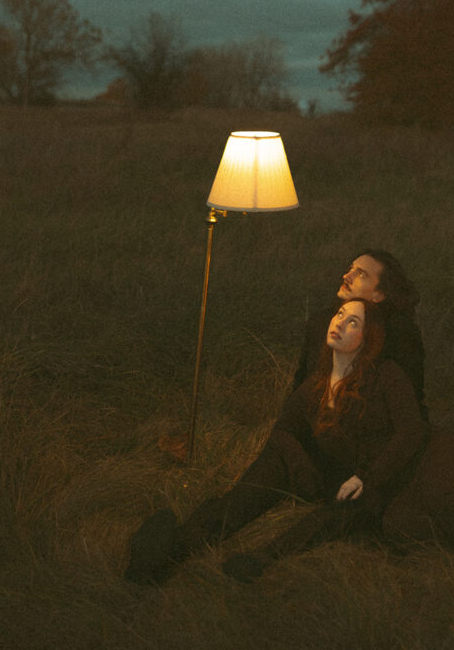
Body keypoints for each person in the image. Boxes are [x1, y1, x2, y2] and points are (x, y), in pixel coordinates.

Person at [220, 298, 454, 603]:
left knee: (448, 505)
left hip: (428, 455)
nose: (339, 323)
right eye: (339, 314)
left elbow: (411, 432)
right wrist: (301, 467)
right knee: (403, 531)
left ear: (367, 338)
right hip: (383, 482)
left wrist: (367, 478)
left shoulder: (385, 374)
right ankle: (262, 559)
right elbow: (282, 430)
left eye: (353, 321)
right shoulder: (315, 387)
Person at [125, 250, 426, 585]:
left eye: (361, 274)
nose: (347, 275)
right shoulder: (323, 328)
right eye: (349, 269)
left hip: (360, 461)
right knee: (262, 475)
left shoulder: (396, 346)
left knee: (346, 510)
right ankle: (172, 551)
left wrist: (372, 474)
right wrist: (298, 460)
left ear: (379, 294)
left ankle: (259, 561)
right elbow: (295, 407)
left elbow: (409, 421)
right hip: (318, 444)